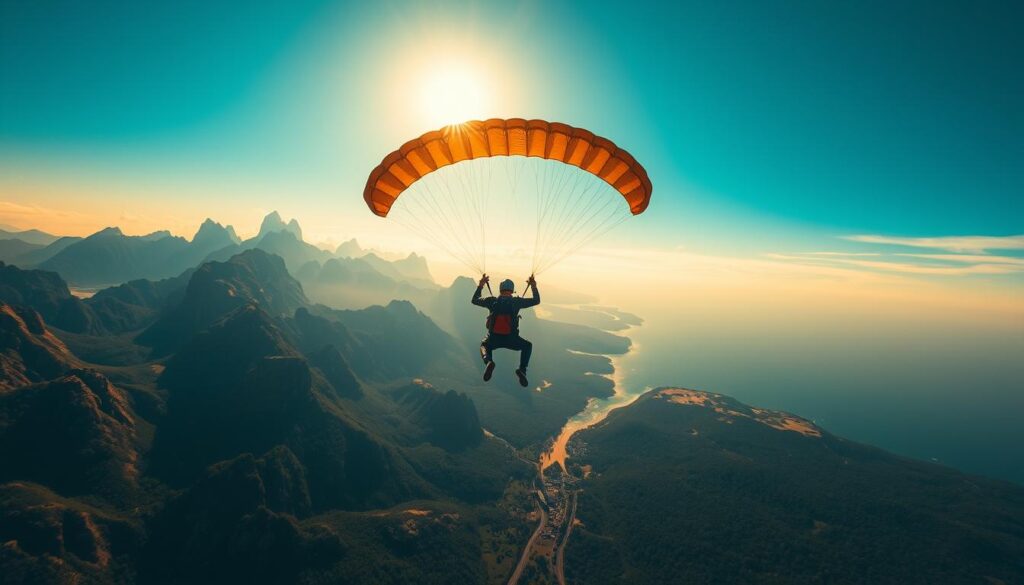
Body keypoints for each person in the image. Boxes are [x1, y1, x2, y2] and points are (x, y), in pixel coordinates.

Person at [472, 274, 540, 387]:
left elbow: (474, 300)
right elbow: (536, 300)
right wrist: (533, 286)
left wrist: (481, 285)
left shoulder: (491, 301)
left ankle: (488, 361)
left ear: (500, 289)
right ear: (512, 291)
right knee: (527, 346)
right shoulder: (517, 302)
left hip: (493, 338)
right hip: (512, 339)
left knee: (484, 345)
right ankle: (522, 370)